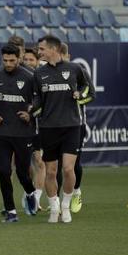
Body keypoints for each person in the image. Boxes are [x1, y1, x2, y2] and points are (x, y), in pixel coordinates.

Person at [31, 35, 91, 224]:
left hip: (72, 126)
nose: (38, 52)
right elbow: (38, 100)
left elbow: (89, 91)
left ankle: (66, 207)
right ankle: (54, 206)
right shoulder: (39, 73)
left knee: (67, 169)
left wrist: (79, 95)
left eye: (41, 49)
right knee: (50, 171)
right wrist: (32, 110)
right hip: (48, 128)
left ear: (53, 49)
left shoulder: (75, 69)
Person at [0, 44, 39, 223]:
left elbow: (41, 100)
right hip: (2, 133)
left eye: (12, 60)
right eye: (5, 60)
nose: (8, 63)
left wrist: (30, 114)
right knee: (3, 171)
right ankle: (11, 211)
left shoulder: (30, 77)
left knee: (23, 174)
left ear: (19, 59)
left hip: (24, 133)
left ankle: (30, 192)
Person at [57, 42, 94, 214]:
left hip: (76, 124)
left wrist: (78, 98)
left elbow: (91, 95)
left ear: (68, 57)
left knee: (73, 164)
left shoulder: (80, 71)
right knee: (54, 164)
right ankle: (56, 200)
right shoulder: (51, 73)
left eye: (64, 57)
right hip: (55, 124)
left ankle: (76, 192)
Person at [20, 46, 46, 211]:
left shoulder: (42, 78)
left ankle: (36, 198)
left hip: (38, 127)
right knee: (22, 166)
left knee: (40, 162)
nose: (28, 62)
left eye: (32, 60)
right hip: (21, 128)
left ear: (37, 62)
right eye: (26, 59)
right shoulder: (19, 78)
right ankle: (28, 193)